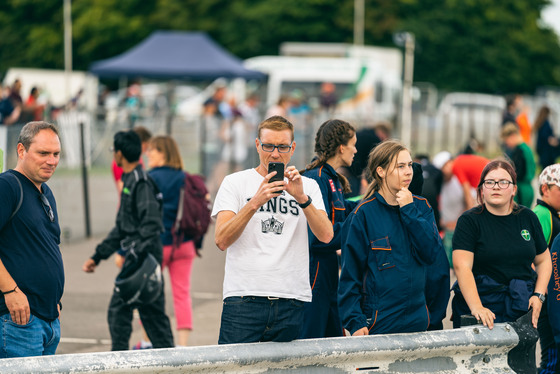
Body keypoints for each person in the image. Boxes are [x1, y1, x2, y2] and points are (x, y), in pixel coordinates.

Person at [212, 115, 333, 344]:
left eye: (282, 147)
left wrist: (302, 199)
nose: (275, 154)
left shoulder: (308, 186)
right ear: (257, 144)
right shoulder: (235, 182)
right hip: (244, 298)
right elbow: (221, 239)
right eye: (268, 146)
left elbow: (326, 235)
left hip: (291, 299)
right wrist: (255, 202)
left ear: (293, 148)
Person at [338, 140, 443, 336]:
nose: (408, 171)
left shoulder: (421, 207)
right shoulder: (362, 215)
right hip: (378, 324)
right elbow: (349, 277)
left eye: (410, 165)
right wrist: (355, 321)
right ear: (381, 171)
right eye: (400, 166)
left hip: (418, 322)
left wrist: (409, 211)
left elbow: (432, 254)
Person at [82, 130, 174, 351]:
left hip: (144, 259)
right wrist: (98, 255)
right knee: (142, 313)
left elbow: (151, 224)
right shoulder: (129, 180)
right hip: (139, 257)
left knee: (130, 312)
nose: (114, 154)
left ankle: (126, 359)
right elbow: (122, 228)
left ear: (120, 154)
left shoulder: (141, 183)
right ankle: (126, 358)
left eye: (114, 150)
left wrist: (133, 252)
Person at [451, 159, 552, 330]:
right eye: (490, 182)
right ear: (482, 189)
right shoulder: (469, 221)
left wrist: (539, 295)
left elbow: (543, 261)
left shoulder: (527, 217)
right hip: (480, 309)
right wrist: (477, 307)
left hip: (520, 307)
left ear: (514, 189)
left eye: (503, 182)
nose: (496, 186)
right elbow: (462, 267)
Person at [0, 121, 64, 358]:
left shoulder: (45, 192)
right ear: (21, 151)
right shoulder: (7, 186)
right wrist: (11, 292)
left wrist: (53, 302)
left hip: (47, 320)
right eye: (43, 153)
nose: (52, 160)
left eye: (56, 154)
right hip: (18, 321)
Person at [299, 119, 358, 339]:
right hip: (314, 271)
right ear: (342, 147)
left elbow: (344, 211)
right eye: (353, 143)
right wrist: (358, 227)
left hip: (329, 270)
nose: (356, 149)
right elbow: (319, 237)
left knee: (334, 340)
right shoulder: (316, 178)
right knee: (312, 339)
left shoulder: (333, 178)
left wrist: (371, 201)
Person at [146, 135, 196, 347]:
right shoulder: (186, 178)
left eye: (152, 150)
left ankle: (148, 341)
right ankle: (183, 346)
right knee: (182, 294)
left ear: (163, 153)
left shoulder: (149, 177)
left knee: (148, 294)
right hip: (184, 244)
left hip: (156, 245)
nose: (148, 154)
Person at [532, 165, 560, 373]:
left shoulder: (553, 214)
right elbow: (533, 258)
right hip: (549, 302)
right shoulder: (542, 214)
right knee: (551, 359)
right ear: (545, 189)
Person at [501, 123, 536, 207]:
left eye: (507, 140)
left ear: (512, 136)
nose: (507, 144)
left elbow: (517, 172)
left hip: (521, 190)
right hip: (528, 189)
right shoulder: (526, 148)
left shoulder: (519, 150)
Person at [112, 126, 152, 195]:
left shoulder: (139, 159)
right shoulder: (121, 161)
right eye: (146, 146)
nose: (147, 151)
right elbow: (124, 189)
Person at [534, 105, 559, 170]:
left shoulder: (540, 122)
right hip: (547, 151)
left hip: (542, 149)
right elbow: (548, 138)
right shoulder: (545, 123)